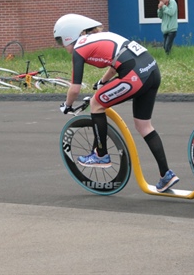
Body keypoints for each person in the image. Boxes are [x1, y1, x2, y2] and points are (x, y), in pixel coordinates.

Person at [54, 14, 179, 193]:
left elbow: (75, 89)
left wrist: (66, 105)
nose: (61, 46)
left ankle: (101, 155)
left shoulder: (79, 48)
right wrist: (103, 81)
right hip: (151, 70)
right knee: (144, 126)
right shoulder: (101, 36)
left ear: (69, 36)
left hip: (135, 75)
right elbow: (116, 61)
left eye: (60, 41)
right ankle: (166, 174)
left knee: (96, 103)